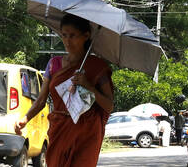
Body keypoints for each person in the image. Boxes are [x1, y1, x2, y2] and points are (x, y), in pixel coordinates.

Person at [15, 13, 114, 166]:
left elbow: (108, 105)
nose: (67, 41)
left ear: (86, 36)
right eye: (64, 35)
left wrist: (88, 86)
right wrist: (25, 119)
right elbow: (41, 100)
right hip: (59, 128)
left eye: (73, 35)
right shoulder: (53, 64)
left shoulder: (97, 66)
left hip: (86, 131)